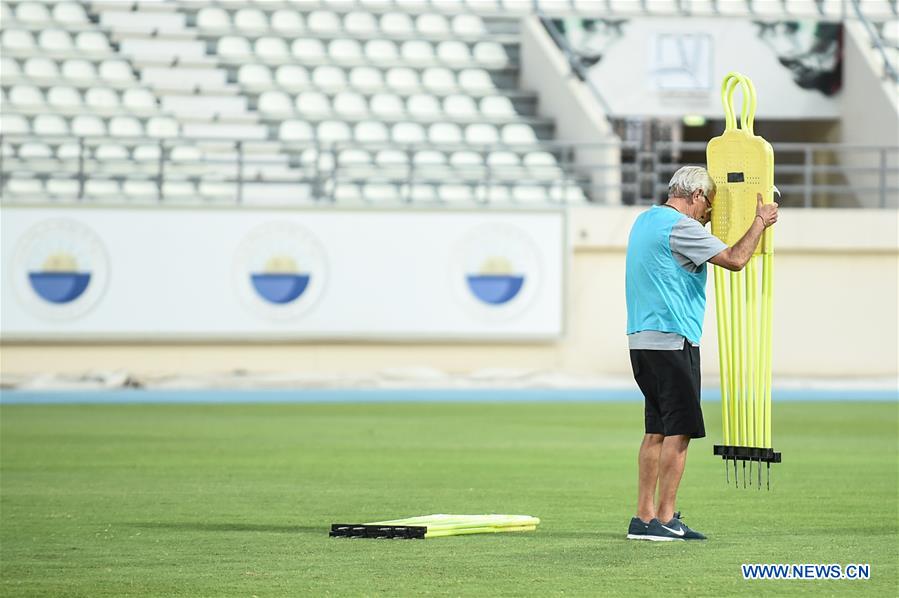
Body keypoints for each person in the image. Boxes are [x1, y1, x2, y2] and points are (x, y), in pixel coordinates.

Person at [624, 166, 778, 541]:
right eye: (708, 205)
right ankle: (664, 519)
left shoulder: (644, 221)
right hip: (674, 340)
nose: (708, 214)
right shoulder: (682, 226)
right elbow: (736, 259)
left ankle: (643, 518)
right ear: (694, 196)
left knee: (655, 431)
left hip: (641, 342)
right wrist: (760, 221)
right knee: (680, 433)